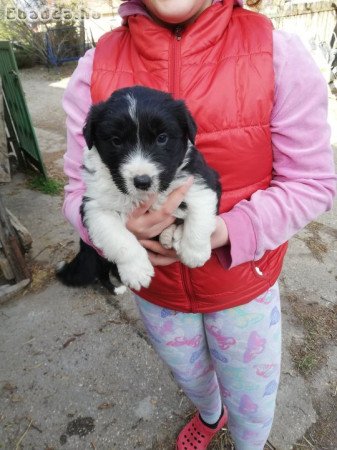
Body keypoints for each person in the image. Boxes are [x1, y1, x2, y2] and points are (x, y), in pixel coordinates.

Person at [61, 1, 336, 449]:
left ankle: (249, 441)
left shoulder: (276, 51)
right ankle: (210, 415)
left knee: (252, 396)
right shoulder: (95, 66)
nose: (141, 165)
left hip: (242, 282)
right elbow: (78, 192)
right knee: (189, 373)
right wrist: (120, 240)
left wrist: (226, 233)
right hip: (158, 291)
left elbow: (314, 183)